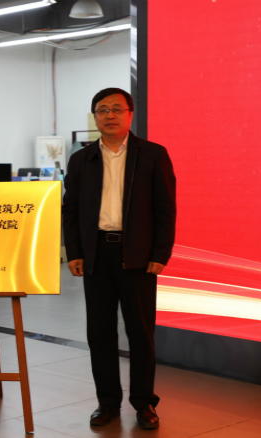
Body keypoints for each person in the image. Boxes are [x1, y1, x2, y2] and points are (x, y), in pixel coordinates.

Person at [62, 88, 176, 429]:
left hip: (138, 255)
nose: (109, 115)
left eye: (116, 109)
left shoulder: (153, 154)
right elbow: (71, 210)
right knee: (100, 333)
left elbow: (165, 209)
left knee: (141, 333)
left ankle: (144, 403)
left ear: (130, 114)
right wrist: (74, 252)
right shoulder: (82, 159)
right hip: (96, 254)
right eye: (102, 110)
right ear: (94, 116)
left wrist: (160, 253)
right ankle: (107, 402)